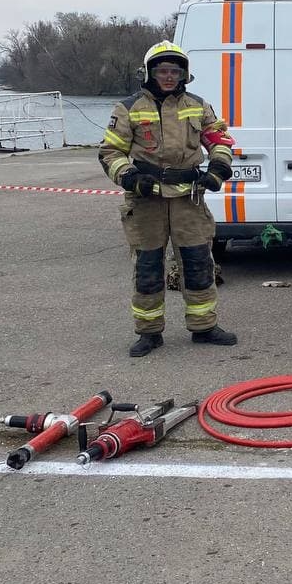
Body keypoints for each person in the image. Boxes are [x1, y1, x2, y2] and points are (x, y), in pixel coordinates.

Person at [98, 41, 238, 357]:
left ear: (184, 74)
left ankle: (204, 327)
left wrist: (217, 168)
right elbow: (110, 152)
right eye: (162, 70)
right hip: (146, 201)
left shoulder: (198, 105)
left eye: (174, 71)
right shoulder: (129, 108)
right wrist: (131, 178)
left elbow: (220, 140)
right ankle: (149, 333)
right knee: (147, 268)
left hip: (188, 199)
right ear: (149, 72)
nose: (169, 76)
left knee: (199, 263)